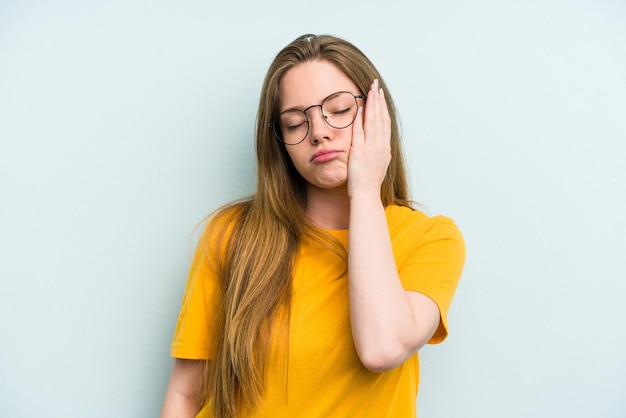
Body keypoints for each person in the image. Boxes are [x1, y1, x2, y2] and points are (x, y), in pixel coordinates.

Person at [160, 34, 465, 418]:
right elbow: (186, 395)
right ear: (281, 142)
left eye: (338, 110)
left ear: (377, 115)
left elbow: (382, 349)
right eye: (294, 123)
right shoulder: (232, 235)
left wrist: (365, 191)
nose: (319, 131)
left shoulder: (430, 238)